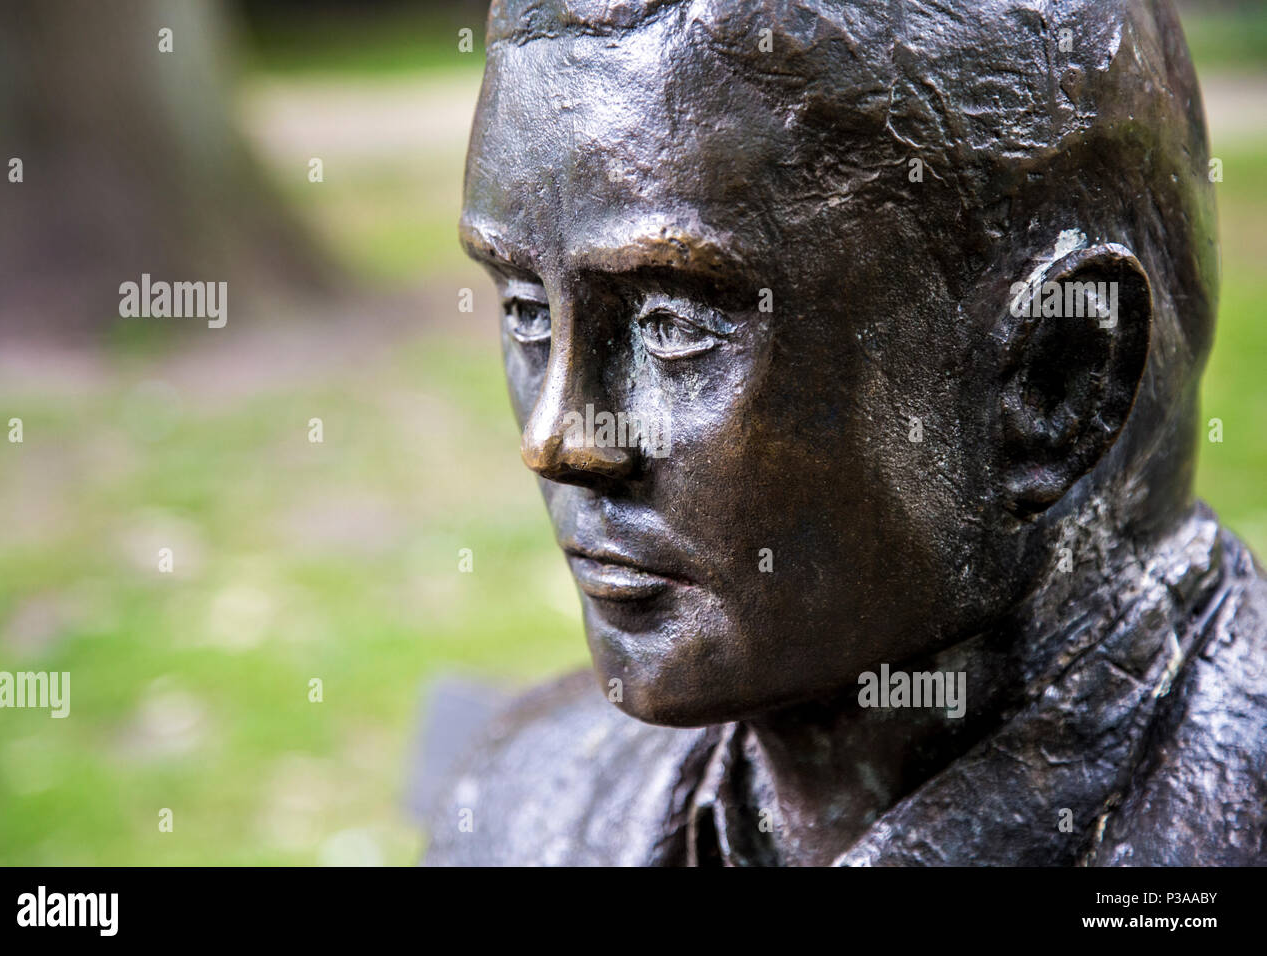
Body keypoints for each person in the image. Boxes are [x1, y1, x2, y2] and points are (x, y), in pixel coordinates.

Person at [425, 0, 1267, 865]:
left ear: (1051, 386)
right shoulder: (515, 810)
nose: (558, 437)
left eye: (675, 327)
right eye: (527, 310)